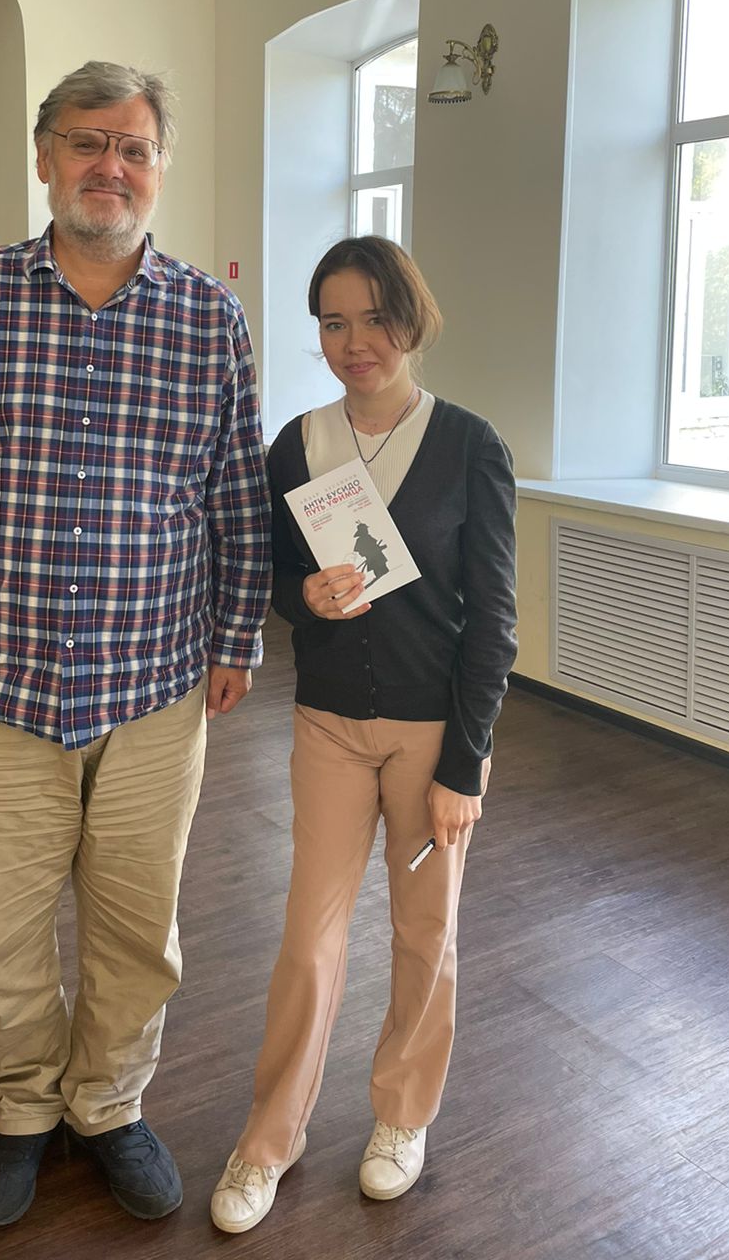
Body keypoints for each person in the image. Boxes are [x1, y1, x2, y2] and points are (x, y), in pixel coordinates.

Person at [0, 61, 270, 1230]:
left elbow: (234, 494)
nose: (112, 166)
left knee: (139, 929)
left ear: (160, 169)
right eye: (89, 142)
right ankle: (22, 1111)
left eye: (135, 148)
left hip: (154, 688)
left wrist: (236, 635)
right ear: (45, 157)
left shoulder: (209, 319)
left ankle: (108, 1105)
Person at [210, 235, 517, 1234]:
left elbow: (495, 620)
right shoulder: (298, 445)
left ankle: (402, 1116)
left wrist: (466, 763)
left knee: (426, 934)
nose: (355, 343)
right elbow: (261, 571)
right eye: (334, 323)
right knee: (309, 938)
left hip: (432, 735)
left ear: (410, 319)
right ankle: (271, 1137)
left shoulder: (469, 445)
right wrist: (301, 593)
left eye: (375, 319)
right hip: (329, 725)